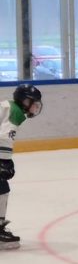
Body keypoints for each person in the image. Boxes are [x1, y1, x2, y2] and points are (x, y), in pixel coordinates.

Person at [0, 84, 43, 250]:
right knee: (2, 186)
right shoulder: (15, 112)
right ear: (24, 101)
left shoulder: (7, 106)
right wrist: (4, 161)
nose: (36, 106)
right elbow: (4, 137)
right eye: (33, 102)